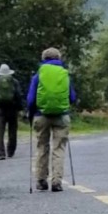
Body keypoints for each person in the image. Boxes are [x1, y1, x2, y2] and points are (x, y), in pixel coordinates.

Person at [26, 48, 77, 192]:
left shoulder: (38, 75)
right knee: (58, 148)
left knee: (42, 147)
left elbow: (30, 99)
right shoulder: (65, 75)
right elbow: (72, 98)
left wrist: (30, 113)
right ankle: (57, 182)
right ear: (59, 58)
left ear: (43, 58)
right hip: (61, 115)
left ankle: (41, 181)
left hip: (41, 115)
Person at [0, 62, 22, 159]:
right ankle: (10, 151)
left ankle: (1, 153)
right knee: (12, 130)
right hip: (12, 108)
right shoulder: (14, 81)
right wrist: (20, 108)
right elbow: (18, 95)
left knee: (0, 131)